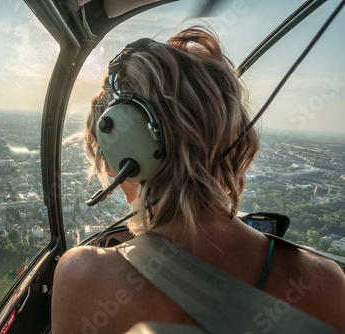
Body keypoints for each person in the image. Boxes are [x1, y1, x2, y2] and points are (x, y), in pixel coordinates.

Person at [51, 26, 345, 334]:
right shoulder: (325, 281)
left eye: (109, 156)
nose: (111, 170)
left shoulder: (83, 275)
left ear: (129, 153)